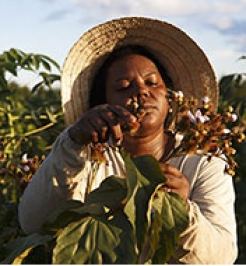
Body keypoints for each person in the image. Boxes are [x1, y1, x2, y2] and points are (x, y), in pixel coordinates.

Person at [18, 17, 238, 264]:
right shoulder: (84, 154)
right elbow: (34, 223)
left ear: (170, 98)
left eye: (152, 83)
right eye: (123, 87)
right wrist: (74, 142)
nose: (141, 92)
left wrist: (183, 211)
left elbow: (223, 257)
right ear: (103, 103)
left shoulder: (203, 161)